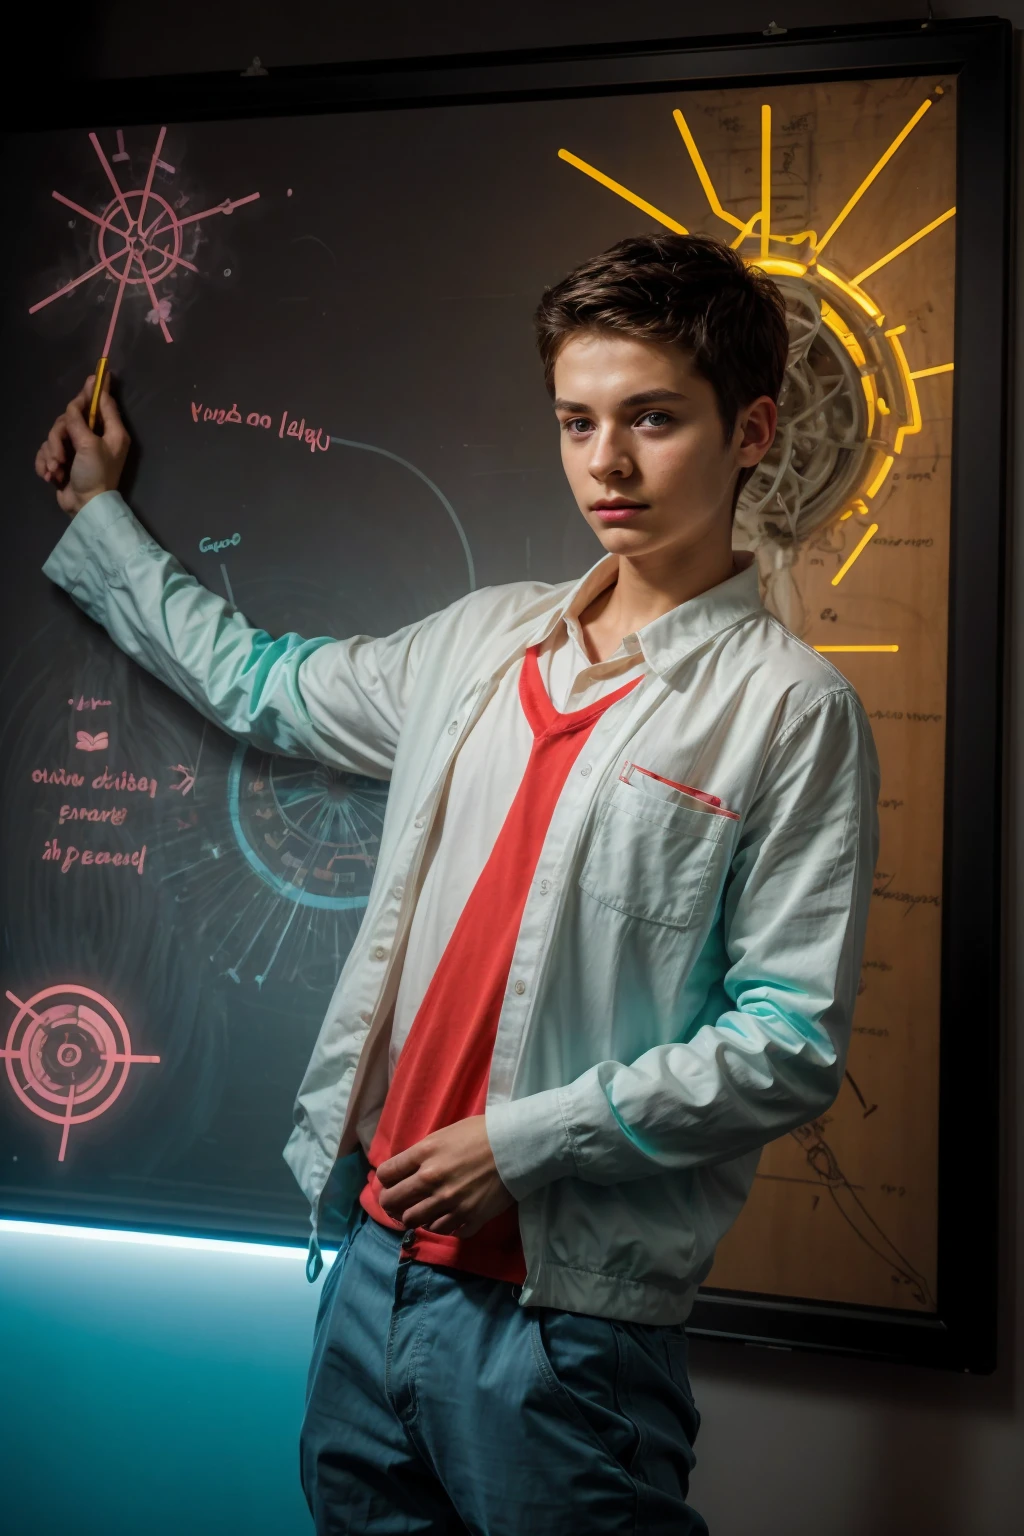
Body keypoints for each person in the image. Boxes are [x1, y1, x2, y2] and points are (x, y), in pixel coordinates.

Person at [35, 232, 879, 1535]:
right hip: (364, 1278)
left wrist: (523, 1146)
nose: (607, 462)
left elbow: (788, 1043)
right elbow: (258, 680)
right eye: (578, 421)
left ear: (753, 428)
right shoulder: (480, 642)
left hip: (568, 1332)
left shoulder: (790, 711)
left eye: (653, 419)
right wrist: (100, 518)